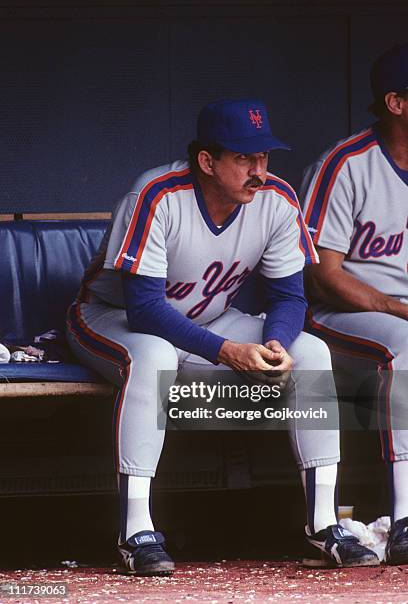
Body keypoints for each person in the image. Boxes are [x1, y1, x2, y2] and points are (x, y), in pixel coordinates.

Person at [67, 99, 379, 575]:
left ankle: (322, 524)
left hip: (209, 319)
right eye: (243, 159)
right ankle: (136, 531)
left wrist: (275, 341)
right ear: (207, 162)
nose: (259, 171)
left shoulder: (276, 199)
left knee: (309, 348)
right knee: (153, 356)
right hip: (110, 319)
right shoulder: (156, 193)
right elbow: (145, 309)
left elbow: (290, 299)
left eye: (264, 158)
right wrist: (227, 351)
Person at [301, 43, 408, 566]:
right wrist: (396, 307)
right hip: (342, 318)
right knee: (407, 348)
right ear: (396, 102)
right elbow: (323, 274)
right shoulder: (346, 164)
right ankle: (407, 518)